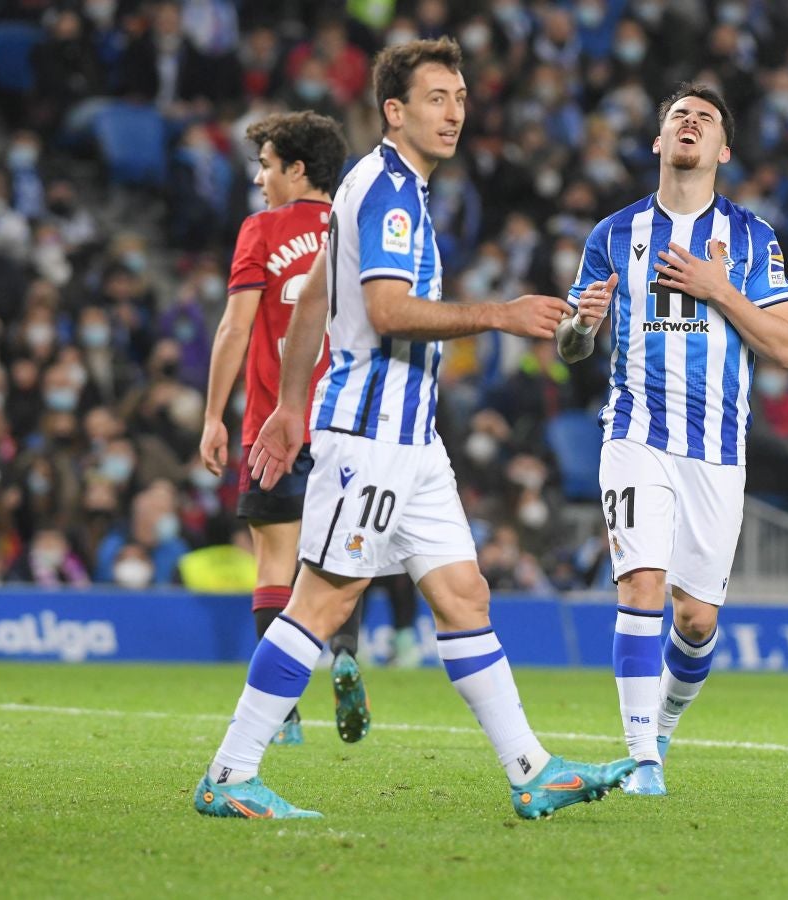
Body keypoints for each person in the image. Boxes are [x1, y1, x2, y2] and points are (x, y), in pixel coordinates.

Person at [194, 38, 635, 821]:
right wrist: (498, 315)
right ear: (394, 111)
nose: (455, 111)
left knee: (465, 595)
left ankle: (530, 770)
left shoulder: (368, 186)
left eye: (460, 97)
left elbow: (307, 307)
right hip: (371, 436)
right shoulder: (391, 191)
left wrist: (291, 408)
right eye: (437, 97)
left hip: (411, 440)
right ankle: (230, 774)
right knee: (322, 603)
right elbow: (391, 311)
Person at [557, 83, 788, 796]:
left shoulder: (753, 239)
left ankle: (659, 731)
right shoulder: (613, 235)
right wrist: (580, 329)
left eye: (706, 119)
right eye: (677, 117)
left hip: (718, 447)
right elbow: (572, 346)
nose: (689, 124)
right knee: (642, 582)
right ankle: (641, 759)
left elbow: (784, 346)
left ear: (723, 150)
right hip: (636, 432)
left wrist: (720, 290)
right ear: (660, 143)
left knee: (695, 619)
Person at [199, 110, 366, 747]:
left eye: (267, 165)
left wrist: (214, 415)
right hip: (350, 422)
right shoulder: (358, 229)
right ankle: (345, 651)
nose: (260, 177)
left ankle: (283, 714)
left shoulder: (262, 230)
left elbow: (234, 328)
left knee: (275, 561)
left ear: (297, 170)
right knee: (348, 553)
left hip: (275, 423)